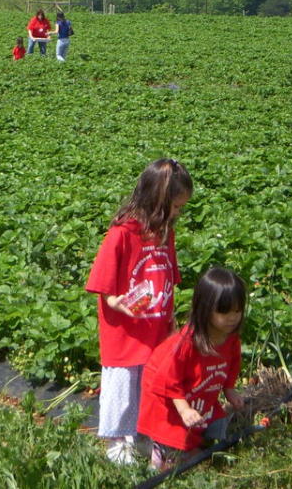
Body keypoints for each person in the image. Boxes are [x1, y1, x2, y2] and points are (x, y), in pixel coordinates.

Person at [85, 158, 193, 465]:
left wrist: (170, 319)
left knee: (150, 386)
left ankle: (145, 435)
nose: (178, 213)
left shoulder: (165, 233)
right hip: (124, 331)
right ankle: (118, 442)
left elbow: (168, 276)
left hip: (155, 327)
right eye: (175, 206)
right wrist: (115, 301)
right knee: (121, 388)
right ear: (157, 200)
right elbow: (103, 281)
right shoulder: (122, 233)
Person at [138, 268, 246, 470]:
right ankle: (160, 449)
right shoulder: (186, 343)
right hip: (168, 401)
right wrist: (183, 408)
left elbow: (233, 364)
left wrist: (229, 389)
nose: (233, 317)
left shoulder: (230, 339)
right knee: (178, 446)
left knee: (215, 431)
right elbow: (168, 379)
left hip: (200, 396)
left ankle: (188, 445)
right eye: (224, 311)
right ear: (205, 309)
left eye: (237, 311)